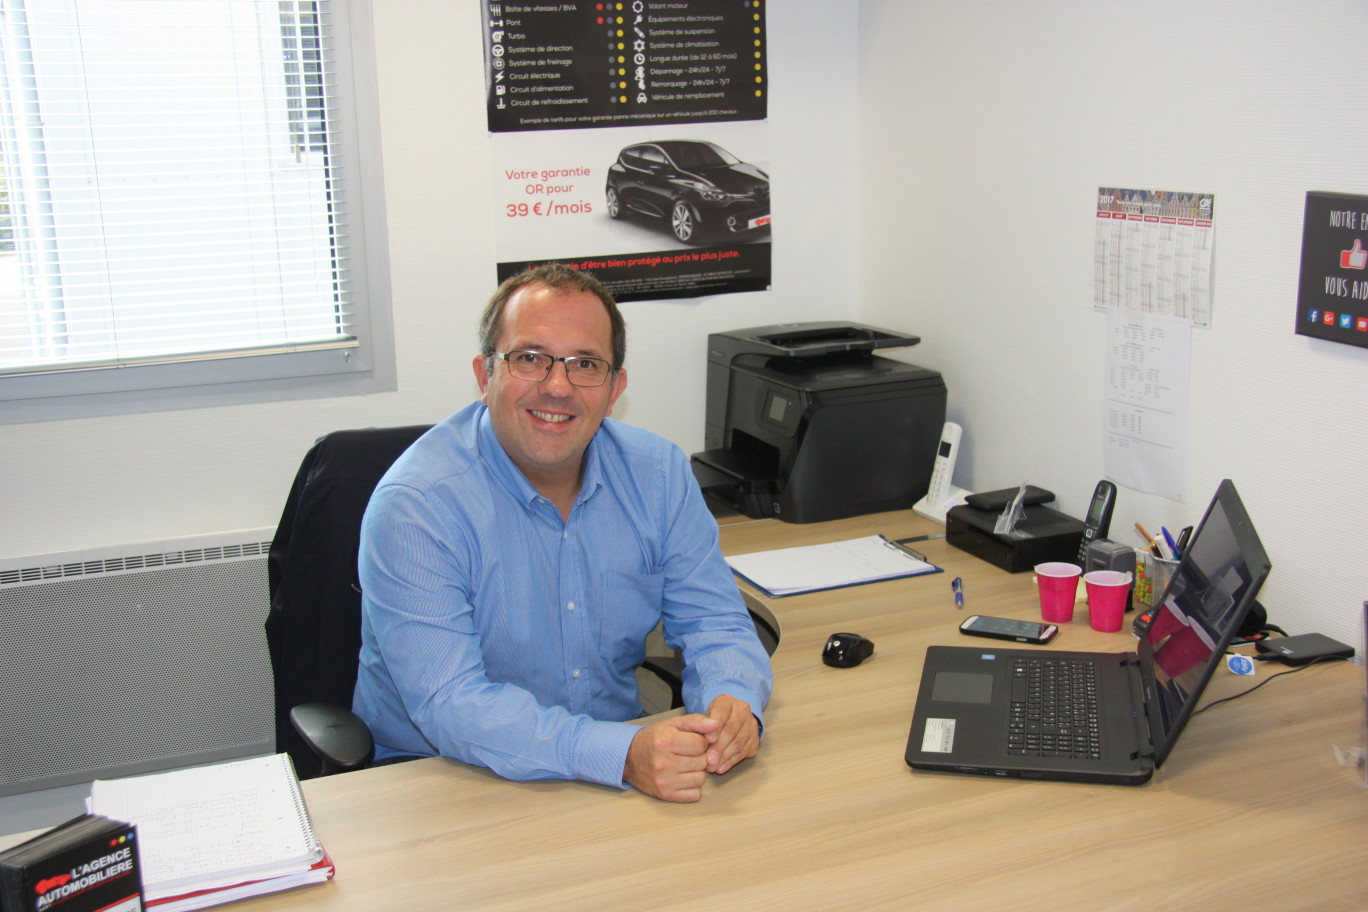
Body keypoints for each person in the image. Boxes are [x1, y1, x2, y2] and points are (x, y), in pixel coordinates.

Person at [352, 264, 773, 802]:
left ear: (614, 387)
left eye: (585, 364)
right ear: (485, 376)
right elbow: (453, 703)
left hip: (613, 774)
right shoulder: (417, 509)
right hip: (446, 779)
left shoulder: (659, 476)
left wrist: (731, 702)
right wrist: (619, 755)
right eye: (529, 358)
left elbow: (716, 622)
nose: (557, 386)